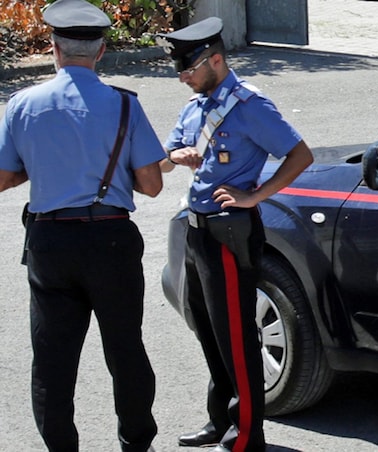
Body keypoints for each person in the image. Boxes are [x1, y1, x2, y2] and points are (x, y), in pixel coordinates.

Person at [0, 0, 164, 451]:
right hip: (110, 236)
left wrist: (51, 164)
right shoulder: (125, 106)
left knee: (52, 358)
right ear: (101, 50)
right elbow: (151, 186)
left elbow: (3, 177)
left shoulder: (22, 104)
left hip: (50, 239)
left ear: (53, 48)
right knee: (125, 348)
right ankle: (135, 443)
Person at [157, 17, 314, 452]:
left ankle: (246, 435)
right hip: (196, 230)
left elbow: (300, 154)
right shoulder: (195, 105)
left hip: (229, 232)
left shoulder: (251, 106)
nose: (183, 78)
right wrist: (176, 155)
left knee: (236, 335)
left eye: (188, 70)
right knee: (207, 329)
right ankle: (219, 419)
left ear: (216, 60)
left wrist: (257, 195)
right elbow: (166, 156)